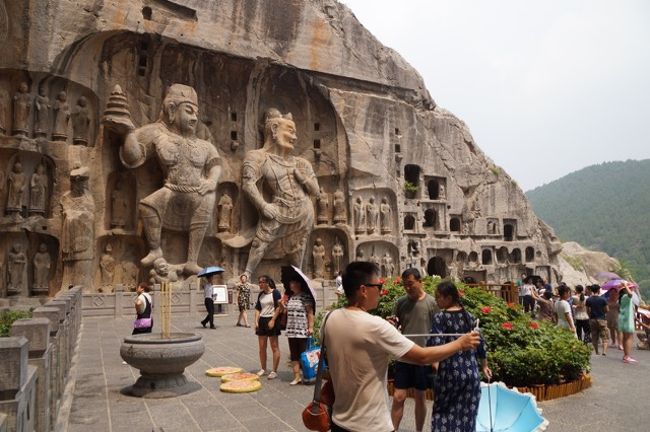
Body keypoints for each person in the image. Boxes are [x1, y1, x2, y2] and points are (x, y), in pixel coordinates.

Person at [323, 262, 480, 432]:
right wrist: (460, 343)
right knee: (400, 397)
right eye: (378, 285)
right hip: (371, 425)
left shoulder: (329, 318)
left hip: (339, 421)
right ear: (363, 290)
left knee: (419, 396)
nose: (381, 290)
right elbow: (422, 357)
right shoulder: (375, 325)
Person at [428, 280, 491, 432]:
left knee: (442, 416)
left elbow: (436, 343)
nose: (436, 300)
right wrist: (484, 366)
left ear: (448, 298)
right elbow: (480, 343)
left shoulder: (440, 318)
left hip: (449, 375)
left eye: (438, 297)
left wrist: (433, 366)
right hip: (471, 375)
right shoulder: (469, 317)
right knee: (467, 418)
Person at [388, 268, 439, 432]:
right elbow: (395, 326)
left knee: (420, 397)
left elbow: (438, 331)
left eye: (410, 284)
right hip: (404, 356)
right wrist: (391, 325)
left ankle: (418, 430)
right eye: (405, 285)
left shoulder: (431, 303)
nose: (408, 288)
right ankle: (392, 429)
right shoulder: (400, 302)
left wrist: (436, 357)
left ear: (419, 281)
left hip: (423, 357)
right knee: (398, 397)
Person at [281, 276, 315, 385]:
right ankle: (296, 377)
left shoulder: (305, 296)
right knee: (294, 355)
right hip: (291, 330)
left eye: (293, 283)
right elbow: (284, 310)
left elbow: (310, 313)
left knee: (303, 355)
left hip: (302, 330)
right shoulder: (290, 297)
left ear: (298, 284)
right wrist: (281, 304)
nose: (291, 285)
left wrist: (310, 327)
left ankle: (307, 375)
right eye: (290, 283)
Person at [254, 275, 282, 379]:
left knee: (274, 347)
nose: (260, 284)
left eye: (262, 282)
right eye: (259, 282)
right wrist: (256, 321)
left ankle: (274, 371)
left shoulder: (275, 293)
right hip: (262, 320)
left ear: (267, 283)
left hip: (272, 319)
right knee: (262, 347)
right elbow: (258, 308)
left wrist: (273, 320)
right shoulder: (261, 294)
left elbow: (279, 307)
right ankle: (263, 368)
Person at [586, 284, 609, 355]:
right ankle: (604, 351)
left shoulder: (588, 300)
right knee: (605, 336)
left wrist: (590, 316)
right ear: (598, 290)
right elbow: (607, 310)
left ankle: (596, 351)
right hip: (601, 319)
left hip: (592, 320)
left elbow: (588, 310)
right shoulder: (603, 299)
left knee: (594, 336)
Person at [618, 283, 638, 364]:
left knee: (625, 338)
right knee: (629, 338)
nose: (632, 289)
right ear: (625, 289)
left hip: (624, 318)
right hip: (627, 319)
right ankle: (627, 356)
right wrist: (625, 285)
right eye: (630, 288)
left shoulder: (622, 297)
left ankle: (626, 355)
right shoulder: (626, 296)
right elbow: (630, 294)